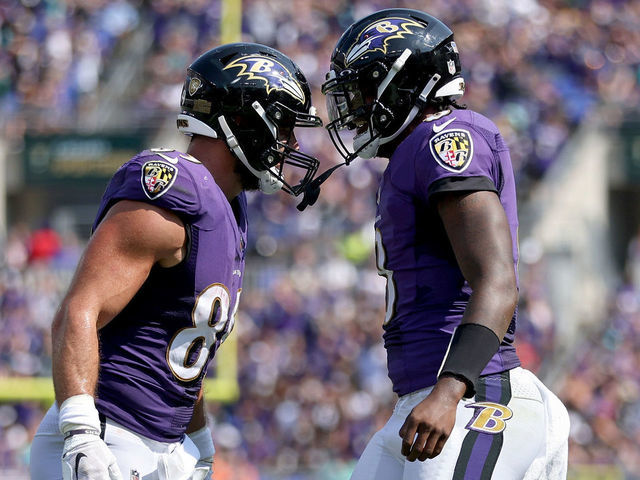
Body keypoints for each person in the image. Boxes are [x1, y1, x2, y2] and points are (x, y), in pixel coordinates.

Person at [30, 42, 323, 480]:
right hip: (108, 435)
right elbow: (79, 310)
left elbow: (185, 346)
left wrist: (200, 438)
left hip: (160, 444)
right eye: (283, 125)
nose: (292, 143)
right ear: (241, 121)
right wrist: (81, 432)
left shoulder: (231, 208)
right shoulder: (175, 190)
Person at [319, 8, 570, 479]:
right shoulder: (412, 153)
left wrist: (451, 389)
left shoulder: (444, 138)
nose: (356, 106)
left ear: (405, 83)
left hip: (479, 392)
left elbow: (496, 281)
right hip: (427, 397)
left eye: (367, 89)